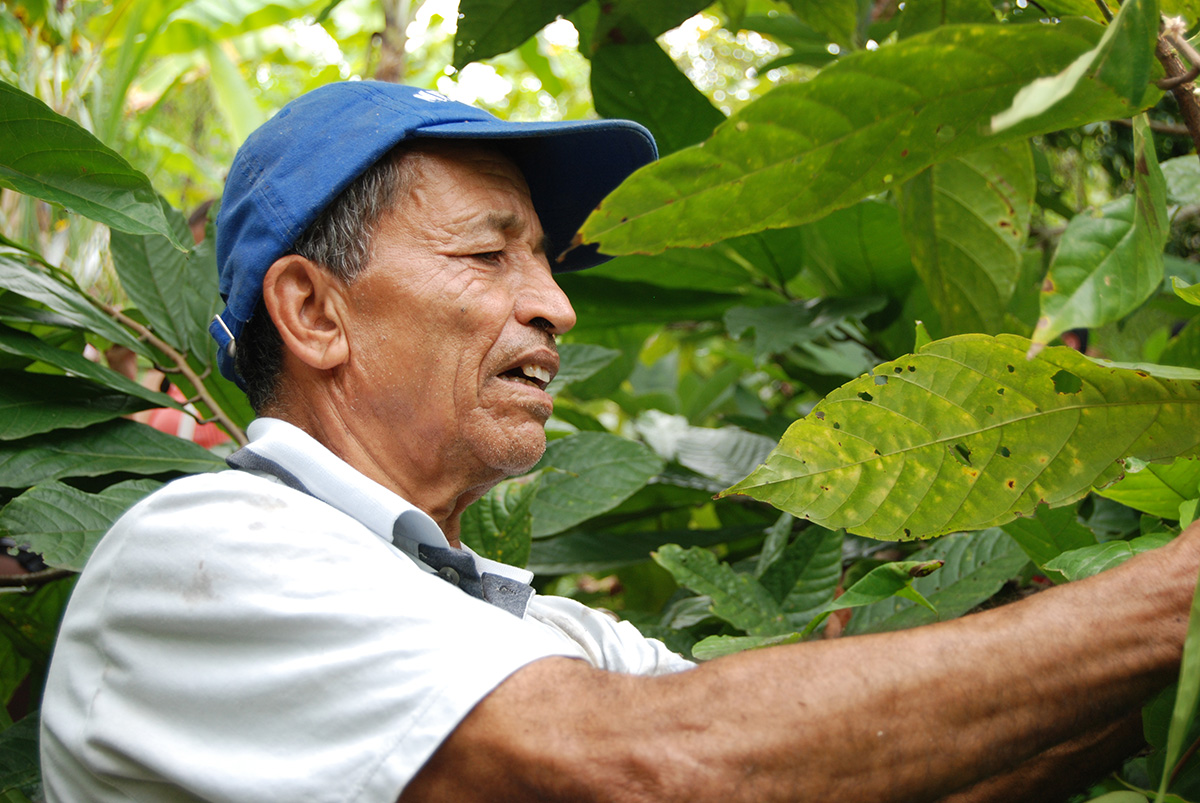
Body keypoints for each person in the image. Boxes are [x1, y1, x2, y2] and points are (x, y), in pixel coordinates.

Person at [39, 81, 1200, 803]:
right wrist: (1174, 598)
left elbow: (827, 776)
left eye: (546, 259)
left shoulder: (543, 632)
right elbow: (656, 766)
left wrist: (1150, 668)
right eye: (489, 256)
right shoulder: (201, 553)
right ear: (315, 312)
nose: (555, 304)